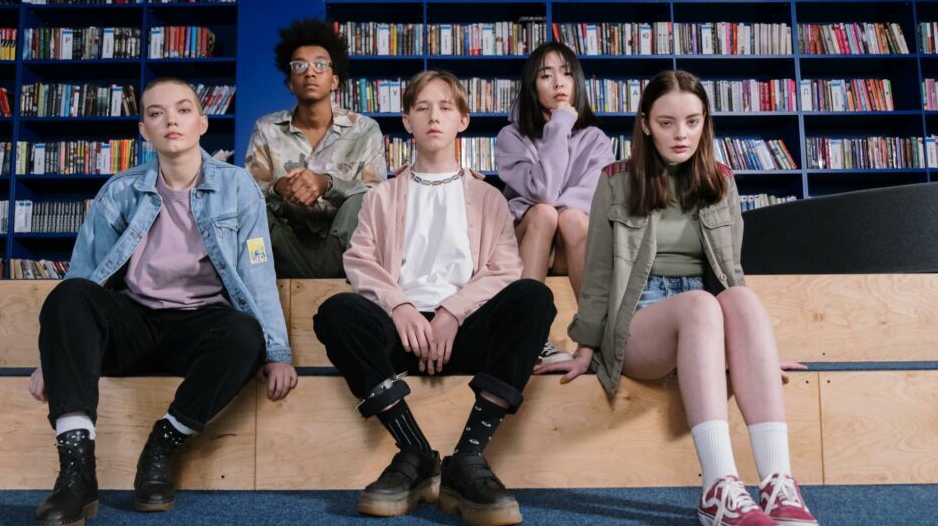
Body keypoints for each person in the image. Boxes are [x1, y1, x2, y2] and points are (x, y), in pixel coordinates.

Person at [536, 70, 818, 526]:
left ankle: (778, 484)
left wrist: (759, 354)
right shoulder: (616, 180)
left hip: (705, 321)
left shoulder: (722, 181)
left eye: (692, 121)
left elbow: (732, 273)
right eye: (666, 122)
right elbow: (601, 273)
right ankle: (720, 487)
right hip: (640, 317)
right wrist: (586, 346)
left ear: (705, 122)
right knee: (701, 305)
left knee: (739, 301)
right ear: (645, 124)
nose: (681, 134)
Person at [28, 77, 296, 526]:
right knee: (69, 293)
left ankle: (162, 447)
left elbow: (257, 270)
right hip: (132, 323)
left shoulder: (237, 188)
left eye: (183, 110)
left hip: (199, 327)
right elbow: (83, 276)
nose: (170, 119)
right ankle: (76, 475)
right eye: (156, 113)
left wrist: (277, 351)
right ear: (143, 131)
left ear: (202, 122)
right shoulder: (120, 190)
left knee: (242, 334)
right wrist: (53, 358)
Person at [313, 70, 556, 526]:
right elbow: (361, 262)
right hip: (402, 333)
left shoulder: (488, 198)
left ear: (463, 120)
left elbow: (504, 269)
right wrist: (401, 306)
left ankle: (467, 458)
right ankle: (415, 452)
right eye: (422, 108)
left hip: (466, 330)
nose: (434, 116)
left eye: (445, 107)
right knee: (336, 312)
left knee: (533, 298)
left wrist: (451, 312)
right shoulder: (381, 197)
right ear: (407, 121)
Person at [495, 41, 614, 365]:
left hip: (569, 245)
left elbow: (588, 200)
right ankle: (529, 338)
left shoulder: (596, 140)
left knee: (572, 218)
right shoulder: (511, 137)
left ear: (577, 82)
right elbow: (544, 192)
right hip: (526, 241)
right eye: (546, 75)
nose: (559, 82)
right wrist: (559, 125)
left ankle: (595, 339)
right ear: (532, 86)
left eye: (566, 74)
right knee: (545, 213)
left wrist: (551, 207)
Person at [245, 17, 386, 278]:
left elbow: (378, 196)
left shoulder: (364, 129)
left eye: (320, 64)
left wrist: (327, 184)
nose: (310, 72)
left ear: (334, 80)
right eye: (299, 65)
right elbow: (247, 194)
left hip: (342, 246)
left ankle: (314, 281)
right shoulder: (266, 128)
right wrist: (278, 188)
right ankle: (317, 284)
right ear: (290, 82)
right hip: (284, 246)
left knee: (363, 202)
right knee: (250, 211)